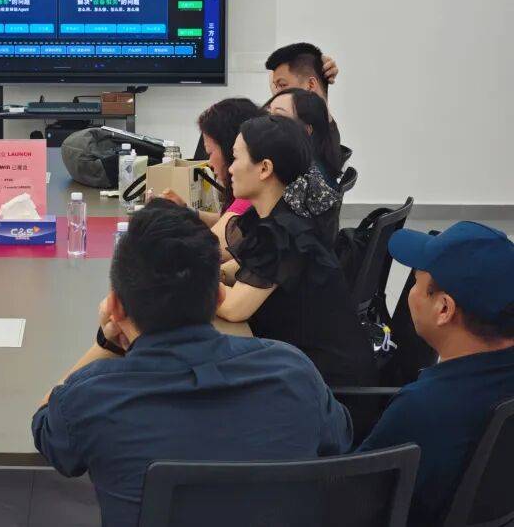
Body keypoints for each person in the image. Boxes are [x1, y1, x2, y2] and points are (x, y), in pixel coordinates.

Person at [33, 200, 353, 526]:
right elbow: (339, 440)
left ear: (116, 307)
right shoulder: (294, 373)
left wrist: (106, 344)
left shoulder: (91, 398)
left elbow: (46, 425)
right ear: (219, 297)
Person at [357, 222, 514, 526]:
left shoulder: (421, 409)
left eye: (416, 282)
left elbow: (347, 498)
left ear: (444, 309)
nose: (411, 293)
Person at [215, 115, 376, 386]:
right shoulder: (278, 217)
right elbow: (238, 270)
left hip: (327, 385)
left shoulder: (283, 233)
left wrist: (187, 282)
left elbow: (233, 309)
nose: (230, 168)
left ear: (264, 168)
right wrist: (210, 273)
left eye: (236, 158)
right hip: (302, 366)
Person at [157, 97, 264, 260]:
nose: (210, 163)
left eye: (210, 153)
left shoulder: (251, 195)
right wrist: (185, 212)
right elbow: (227, 223)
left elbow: (210, 249)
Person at [192, 45, 339, 161]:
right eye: (276, 86)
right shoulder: (311, 128)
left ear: (311, 85)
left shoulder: (304, 136)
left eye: (282, 85)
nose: (277, 93)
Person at [266, 88, 344, 245]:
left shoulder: (301, 178)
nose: (266, 122)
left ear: (306, 130)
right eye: (268, 114)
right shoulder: (310, 162)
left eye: (278, 116)